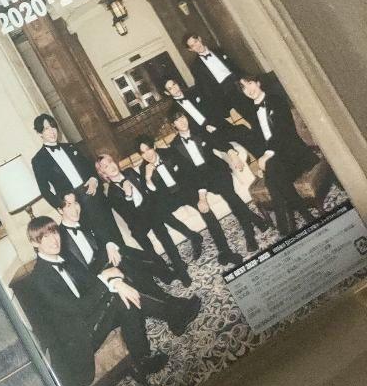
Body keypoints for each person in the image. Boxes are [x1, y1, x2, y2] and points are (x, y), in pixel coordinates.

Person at [21, 215, 201, 386]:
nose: (54, 240)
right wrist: (106, 279)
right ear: (35, 243)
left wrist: (116, 283)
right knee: (118, 298)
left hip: (87, 318)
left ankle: (144, 356)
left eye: (54, 233)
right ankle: (173, 316)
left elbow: (91, 283)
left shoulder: (65, 259)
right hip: (77, 339)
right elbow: (79, 308)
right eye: (45, 237)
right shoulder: (38, 280)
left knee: (122, 293)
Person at [166, 111, 272, 263]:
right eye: (177, 120)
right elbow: (187, 172)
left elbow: (218, 141)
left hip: (216, 170)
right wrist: (201, 192)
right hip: (199, 178)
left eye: (183, 117)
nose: (182, 121)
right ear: (173, 125)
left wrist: (232, 153)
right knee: (220, 199)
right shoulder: (174, 146)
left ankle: (249, 234)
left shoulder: (200, 130)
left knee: (230, 197)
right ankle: (256, 220)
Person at [137, 134, 247, 270]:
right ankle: (193, 236)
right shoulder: (143, 169)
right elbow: (153, 194)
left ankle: (225, 251)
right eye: (143, 153)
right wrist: (148, 178)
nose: (147, 155)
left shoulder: (170, 152)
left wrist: (201, 196)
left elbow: (190, 172)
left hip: (186, 190)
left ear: (154, 147)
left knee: (205, 210)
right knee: (158, 214)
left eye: (148, 149)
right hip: (169, 197)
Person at [94, 151, 200, 282]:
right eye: (105, 166)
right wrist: (128, 195)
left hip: (149, 208)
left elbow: (146, 187)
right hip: (137, 220)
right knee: (144, 242)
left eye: (110, 161)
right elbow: (128, 216)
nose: (111, 166)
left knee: (163, 234)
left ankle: (180, 269)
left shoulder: (129, 172)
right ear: (104, 174)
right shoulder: (111, 194)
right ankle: (165, 272)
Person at [238, 75, 319, 236]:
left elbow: (283, 132)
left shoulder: (276, 100)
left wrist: (266, 157)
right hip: (275, 161)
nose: (249, 90)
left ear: (258, 82)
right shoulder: (252, 112)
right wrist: (263, 162)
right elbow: (261, 141)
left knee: (273, 175)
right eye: (244, 88)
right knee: (275, 176)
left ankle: (286, 226)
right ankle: (305, 216)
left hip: (293, 153)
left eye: (250, 83)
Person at [30, 114, 123, 247]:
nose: (52, 131)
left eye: (53, 127)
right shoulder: (38, 160)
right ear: (39, 133)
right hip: (75, 205)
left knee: (115, 235)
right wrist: (62, 206)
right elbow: (44, 190)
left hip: (94, 196)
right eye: (46, 129)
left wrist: (93, 179)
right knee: (98, 244)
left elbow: (91, 168)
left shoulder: (71, 147)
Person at [54, 191, 172, 289]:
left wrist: (109, 244)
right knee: (132, 268)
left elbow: (103, 233)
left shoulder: (86, 220)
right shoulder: (59, 238)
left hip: (108, 257)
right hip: (95, 272)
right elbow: (75, 271)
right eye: (68, 205)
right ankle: (160, 294)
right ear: (60, 210)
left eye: (76, 203)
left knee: (148, 257)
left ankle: (167, 278)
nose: (75, 209)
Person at [162, 75, 261, 156]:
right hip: (204, 135)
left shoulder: (194, 92)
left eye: (174, 84)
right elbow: (187, 128)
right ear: (167, 93)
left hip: (218, 124)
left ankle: (262, 159)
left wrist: (214, 123)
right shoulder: (174, 110)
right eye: (170, 88)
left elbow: (211, 107)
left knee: (242, 131)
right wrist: (205, 128)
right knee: (225, 143)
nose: (175, 89)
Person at [183, 33, 248, 122]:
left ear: (200, 38)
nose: (197, 46)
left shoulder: (219, 50)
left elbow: (235, 67)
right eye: (193, 46)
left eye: (196, 41)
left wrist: (245, 80)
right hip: (225, 92)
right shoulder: (196, 67)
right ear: (190, 49)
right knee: (246, 116)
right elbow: (205, 89)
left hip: (238, 83)